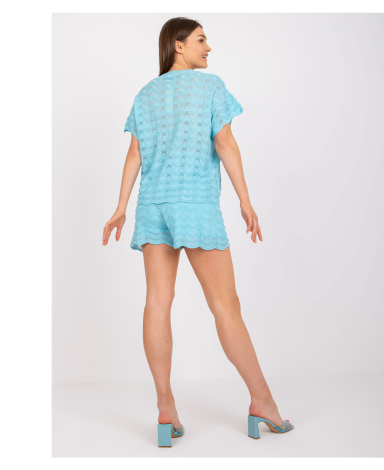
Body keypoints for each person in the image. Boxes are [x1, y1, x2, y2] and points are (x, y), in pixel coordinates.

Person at [102, 17, 293, 445]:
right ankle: (262, 402)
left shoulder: (145, 94)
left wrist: (121, 207)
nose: (208, 48)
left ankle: (165, 408)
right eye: (201, 40)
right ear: (178, 44)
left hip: (152, 205)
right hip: (193, 204)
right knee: (226, 306)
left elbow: (134, 154)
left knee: (157, 303)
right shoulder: (209, 87)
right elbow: (224, 143)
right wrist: (245, 200)